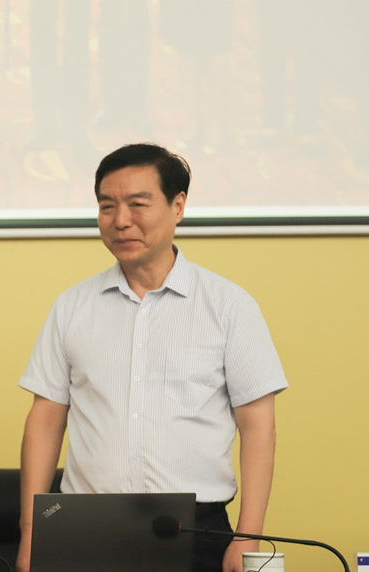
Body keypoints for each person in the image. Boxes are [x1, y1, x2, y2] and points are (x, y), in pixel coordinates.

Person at [16, 143, 287, 572]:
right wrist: (32, 531)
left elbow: (258, 426)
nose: (120, 220)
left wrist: (248, 537)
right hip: (87, 528)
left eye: (138, 204)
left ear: (178, 206)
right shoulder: (72, 307)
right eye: (107, 206)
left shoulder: (228, 306)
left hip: (195, 529)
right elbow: (45, 420)